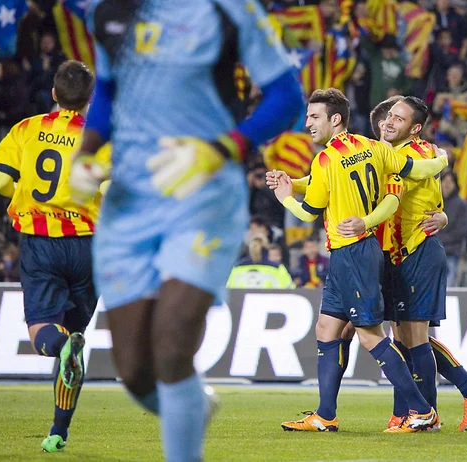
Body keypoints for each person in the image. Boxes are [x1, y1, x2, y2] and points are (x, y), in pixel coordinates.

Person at [69, 1, 304, 460]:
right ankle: (192, 404)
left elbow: (287, 98)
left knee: (173, 345)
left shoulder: (228, 9)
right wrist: (86, 153)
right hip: (130, 203)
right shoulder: (105, 11)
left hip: (204, 195)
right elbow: (109, 93)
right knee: (135, 371)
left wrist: (221, 150)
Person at [274, 88, 448, 434]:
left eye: (314, 117)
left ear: (335, 119)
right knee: (327, 328)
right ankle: (325, 415)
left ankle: (422, 409)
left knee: (369, 334)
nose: (307, 123)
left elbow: (309, 212)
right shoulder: (372, 147)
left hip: (353, 252)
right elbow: (413, 169)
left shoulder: (325, 159)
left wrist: (285, 197)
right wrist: (442, 161)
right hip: (355, 251)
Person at [343, 96, 467, 432]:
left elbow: (419, 172)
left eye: (399, 119)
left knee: (414, 337)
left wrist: (442, 162)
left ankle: (429, 411)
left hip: (417, 250)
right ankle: (425, 408)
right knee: (404, 336)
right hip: (394, 253)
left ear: (415, 129)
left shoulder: (421, 151)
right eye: (388, 117)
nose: (389, 123)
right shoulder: (383, 153)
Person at [0, 60, 103, 452]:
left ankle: (60, 351)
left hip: (40, 241)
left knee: (47, 333)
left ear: (53, 94)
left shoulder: (25, 129)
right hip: (89, 245)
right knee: (75, 338)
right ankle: (58, 432)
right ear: (90, 99)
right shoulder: (98, 136)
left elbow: (1, 180)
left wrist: (27, 191)